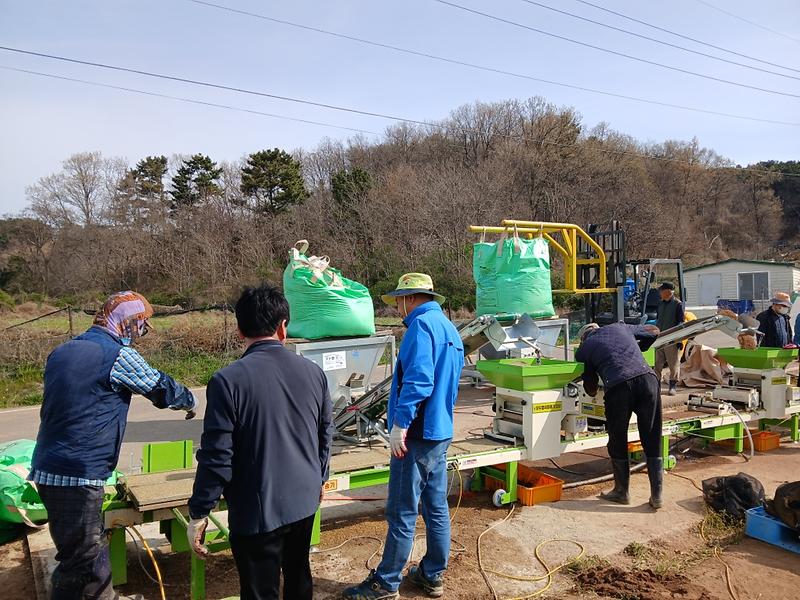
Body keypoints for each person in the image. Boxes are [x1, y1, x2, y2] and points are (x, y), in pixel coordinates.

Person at [29, 291, 196, 600]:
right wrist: (190, 400)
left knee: (84, 552)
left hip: (48, 468)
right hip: (78, 473)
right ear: (127, 321)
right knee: (81, 562)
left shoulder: (62, 351)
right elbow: (159, 387)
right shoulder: (117, 355)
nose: (142, 332)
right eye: (142, 324)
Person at [187, 284, 333, 600]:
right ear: (283, 327)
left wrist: (199, 511)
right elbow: (325, 432)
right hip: (304, 500)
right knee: (299, 577)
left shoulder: (227, 381)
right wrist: (321, 476)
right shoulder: (314, 373)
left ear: (240, 330)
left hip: (257, 510)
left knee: (258, 590)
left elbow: (217, 456)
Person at [343, 273, 464, 600]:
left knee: (402, 511)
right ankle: (432, 574)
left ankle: (386, 582)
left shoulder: (420, 327)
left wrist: (400, 424)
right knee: (435, 507)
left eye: (399, 301)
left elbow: (420, 381)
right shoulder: (449, 328)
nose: (398, 308)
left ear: (410, 298)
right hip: (440, 432)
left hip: (417, 435)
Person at [575, 321, 663, 509]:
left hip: (618, 387)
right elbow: (654, 331)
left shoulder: (584, 350)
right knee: (652, 435)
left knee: (617, 437)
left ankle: (622, 492)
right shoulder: (619, 327)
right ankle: (657, 496)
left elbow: (591, 388)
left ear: (583, 338)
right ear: (598, 328)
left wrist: (595, 381)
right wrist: (639, 349)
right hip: (648, 380)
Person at [654, 282, 685, 396]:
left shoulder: (677, 304)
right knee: (657, 364)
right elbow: (658, 319)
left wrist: (679, 340)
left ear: (668, 291)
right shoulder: (660, 303)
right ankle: (656, 386)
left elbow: (681, 323)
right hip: (659, 338)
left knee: (673, 364)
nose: (660, 293)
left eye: (661, 290)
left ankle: (672, 387)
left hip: (671, 340)